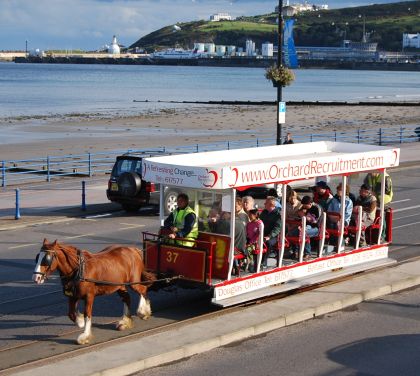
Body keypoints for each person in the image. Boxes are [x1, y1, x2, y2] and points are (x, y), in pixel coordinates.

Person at [327, 183, 353, 250]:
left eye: (340, 190)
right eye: (338, 190)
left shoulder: (348, 201)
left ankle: (340, 243)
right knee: (329, 224)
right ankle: (332, 244)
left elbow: (348, 214)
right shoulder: (334, 200)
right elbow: (329, 210)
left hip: (343, 221)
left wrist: (342, 220)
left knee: (337, 226)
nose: (338, 191)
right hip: (333, 219)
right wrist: (332, 218)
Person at [259, 196, 282, 266]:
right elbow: (259, 222)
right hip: (263, 233)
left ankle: (263, 261)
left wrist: (269, 236)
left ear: (271, 205)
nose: (264, 204)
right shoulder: (264, 212)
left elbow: (277, 228)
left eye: (266, 203)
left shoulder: (278, 214)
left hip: (273, 236)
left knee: (268, 243)